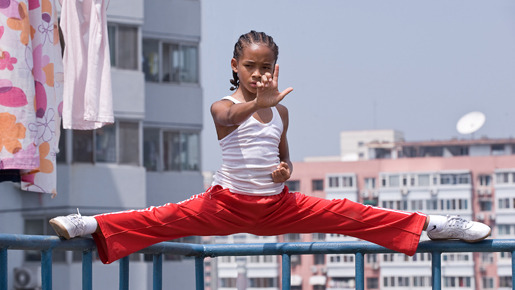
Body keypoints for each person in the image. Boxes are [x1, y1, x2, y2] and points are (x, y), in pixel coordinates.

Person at [50, 30, 491, 264]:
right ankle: (86, 224)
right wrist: (255, 104)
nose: (258, 73)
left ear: (274, 68)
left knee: (349, 212)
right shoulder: (224, 106)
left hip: (278, 206)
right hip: (224, 204)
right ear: (235, 67)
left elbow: (283, 158)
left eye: (265, 67)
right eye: (250, 66)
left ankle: (433, 224)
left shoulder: (280, 112)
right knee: (159, 218)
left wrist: (285, 170)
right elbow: (226, 121)